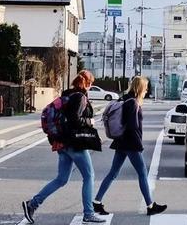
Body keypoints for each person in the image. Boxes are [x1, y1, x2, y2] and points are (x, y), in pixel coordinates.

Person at [22, 70, 105, 224]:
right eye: (91, 82)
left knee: (61, 179)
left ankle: (32, 204)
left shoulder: (66, 95)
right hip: (74, 143)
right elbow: (75, 120)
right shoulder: (80, 97)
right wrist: (90, 122)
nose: (91, 85)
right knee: (89, 176)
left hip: (62, 143)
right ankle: (88, 213)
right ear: (87, 83)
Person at [92, 77, 167, 217]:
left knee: (113, 173)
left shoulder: (124, 99)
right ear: (139, 88)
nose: (146, 90)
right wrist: (138, 145)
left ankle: (97, 201)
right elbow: (132, 126)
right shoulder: (132, 103)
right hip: (130, 143)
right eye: (145, 88)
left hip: (121, 141)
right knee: (142, 173)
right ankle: (150, 206)